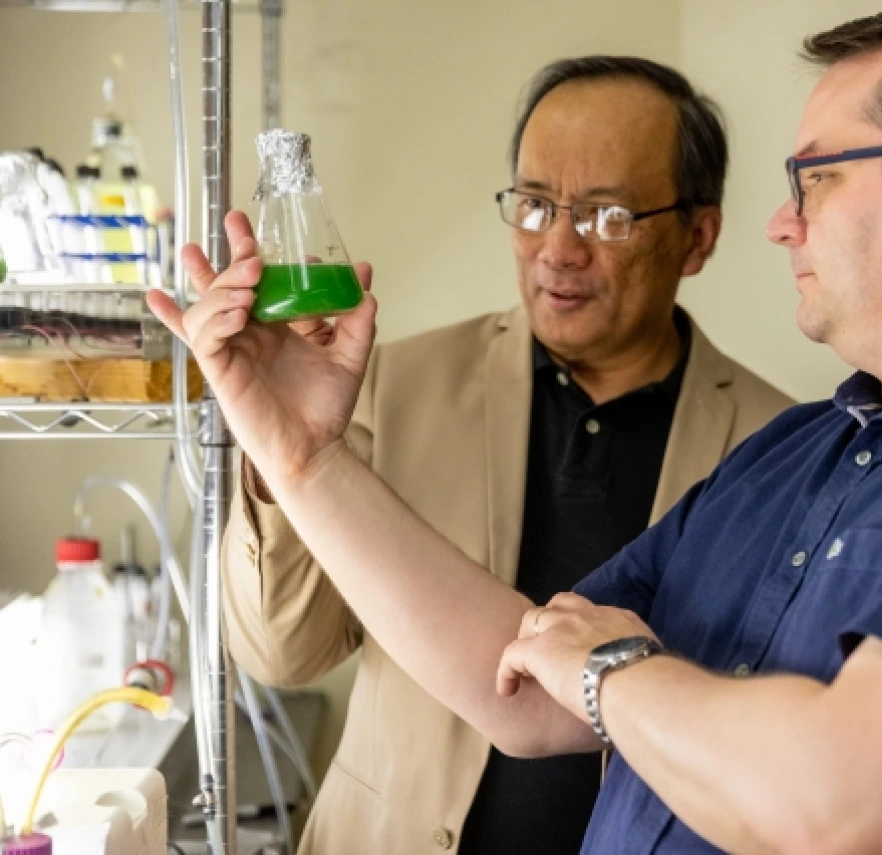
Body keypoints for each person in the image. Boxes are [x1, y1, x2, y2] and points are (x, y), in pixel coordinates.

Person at [150, 0, 882, 851]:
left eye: (821, 178)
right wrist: (303, 454)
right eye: (536, 204)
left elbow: (834, 806)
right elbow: (527, 685)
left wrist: (613, 670)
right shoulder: (799, 454)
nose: (783, 222)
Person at [217, 56, 792, 855]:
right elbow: (282, 650)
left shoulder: (781, 449)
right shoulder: (392, 383)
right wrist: (278, 455)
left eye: (607, 216)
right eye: (533, 204)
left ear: (697, 237)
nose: (557, 248)